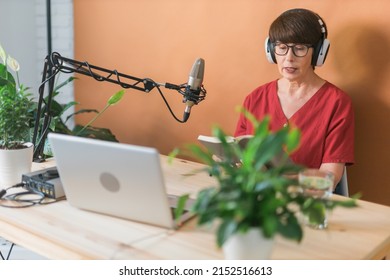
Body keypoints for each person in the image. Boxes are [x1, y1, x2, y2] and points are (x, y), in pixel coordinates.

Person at [234, 8, 354, 189]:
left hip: (306, 206)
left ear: (319, 52)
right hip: (255, 204)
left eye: (300, 48)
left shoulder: (337, 103)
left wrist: (271, 179)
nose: (289, 58)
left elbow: (328, 179)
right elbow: (239, 156)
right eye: (281, 48)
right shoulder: (255, 98)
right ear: (271, 50)